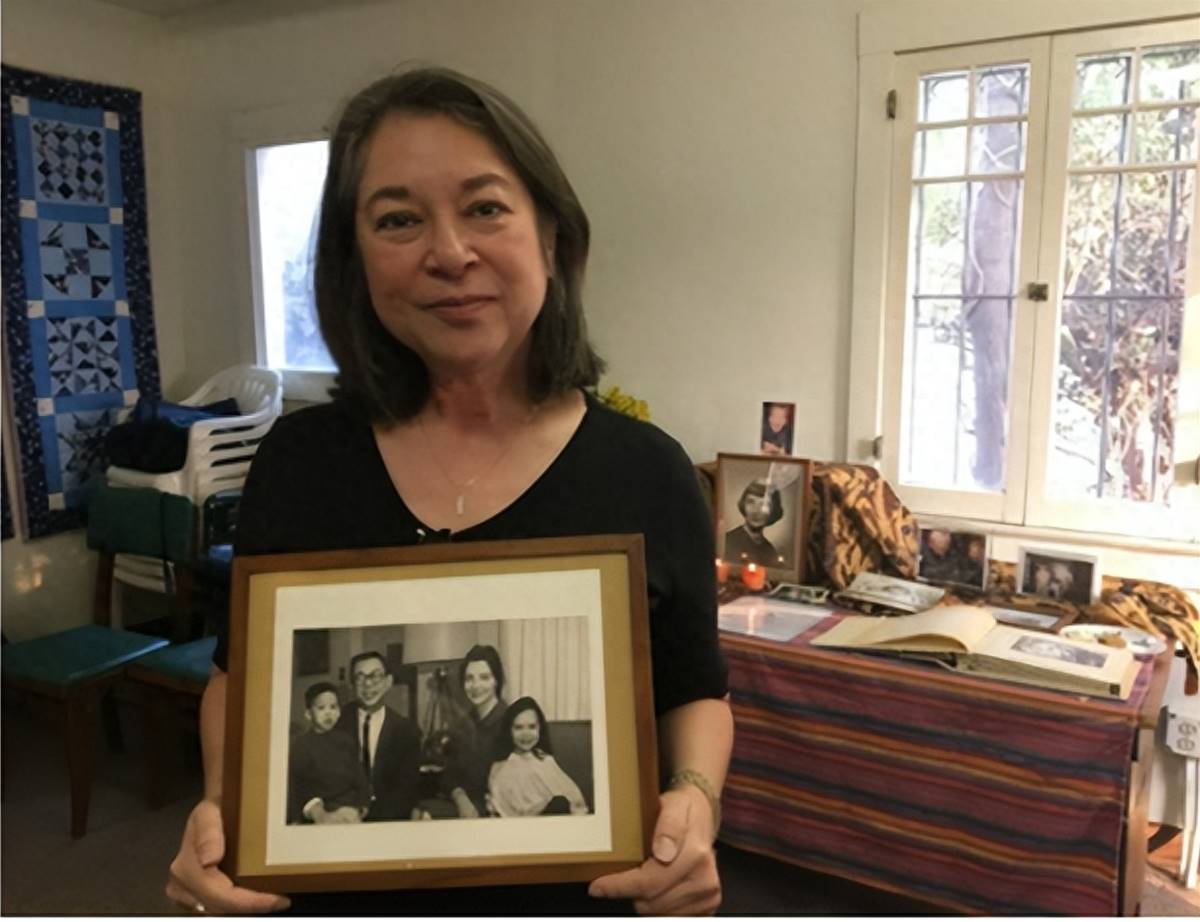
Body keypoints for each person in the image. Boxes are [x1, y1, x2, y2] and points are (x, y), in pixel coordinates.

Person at [166, 65, 731, 916]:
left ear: (550, 236)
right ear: (355, 260)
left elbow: (696, 692)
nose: (450, 253)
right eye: (398, 220)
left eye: (485, 207)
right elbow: (238, 676)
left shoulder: (650, 473)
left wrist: (695, 799)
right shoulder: (299, 461)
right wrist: (223, 807)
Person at [337, 651, 423, 821]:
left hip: (389, 820)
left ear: (388, 682)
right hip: (343, 819)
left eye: (375, 676)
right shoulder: (337, 723)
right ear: (352, 685)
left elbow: (407, 790)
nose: (368, 684)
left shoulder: (406, 731)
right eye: (360, 677)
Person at [487, 696, 589, 817]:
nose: (526, 734)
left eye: (532, 727)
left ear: (540, 728)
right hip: (527, 822)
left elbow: (574, 798)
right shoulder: (502, 768)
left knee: (560, 802)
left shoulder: (544, 758)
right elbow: (506, 809)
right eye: (518, 727)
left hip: (559, 818)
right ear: (508, 730)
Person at [439, 644, 509, 818]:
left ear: (497, 680)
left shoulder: (511, 722)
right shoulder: (461, 725)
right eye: (469, 679)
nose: (476, 685)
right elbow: (450, 774)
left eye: (484, 677)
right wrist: (460, 798)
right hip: (464, 806)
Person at [286, 682, 369, 825]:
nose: (328, 713)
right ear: (308, 714)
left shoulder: (346, 741)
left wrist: (361, 807)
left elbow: (360, 778)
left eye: (333, 707)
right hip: (321, 812)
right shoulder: (301, 745)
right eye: (321, 708)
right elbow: (296, 787)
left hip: (350, 810)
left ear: (339, 711)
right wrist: (316, 813)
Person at [723, 478, 784, 568]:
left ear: (773, 510)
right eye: (751, 502)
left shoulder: (770, 551)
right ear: (743, 505)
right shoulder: (728, 542)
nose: (755, 511)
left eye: (763, 504)